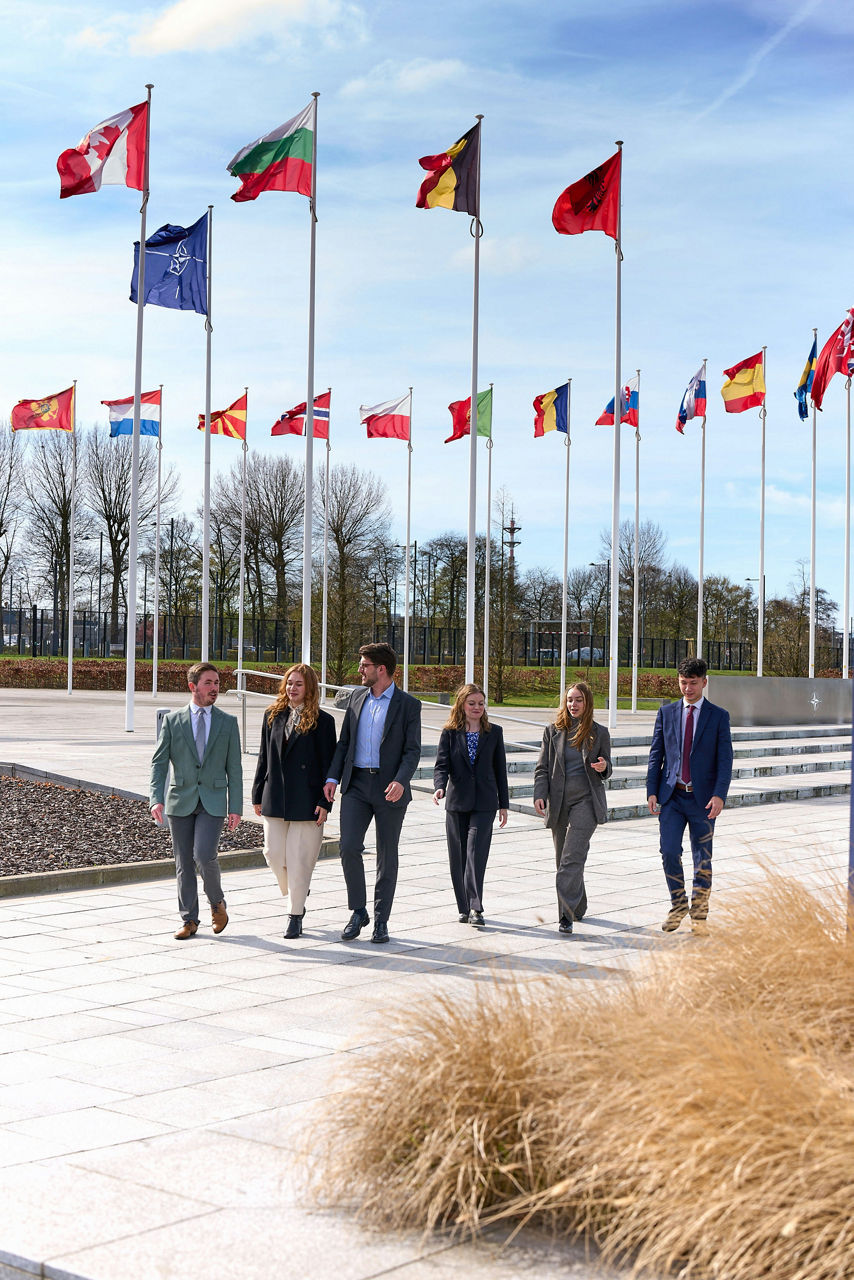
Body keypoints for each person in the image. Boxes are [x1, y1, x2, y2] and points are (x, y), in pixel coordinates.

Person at [323, 642, 421, 944]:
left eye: (364, 665)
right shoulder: (356, 698)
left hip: (389, 788)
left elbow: (412, 750)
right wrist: (332, 777)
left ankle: (381, 920)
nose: (359, 670)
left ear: (381, 669)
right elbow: (344, 743)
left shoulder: (408, 705)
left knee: (386, 854)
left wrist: (402, 780)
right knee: (349, 846)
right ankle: (358, 910)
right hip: (356, 786)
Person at [150, 662, 243, 940]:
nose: (215, 688)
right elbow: (159, 764)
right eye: (208, 683)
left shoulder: (228, 722)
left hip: (213, 800)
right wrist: (156, 798)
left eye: (217, 682)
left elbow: (234, 768)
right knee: (183, 862)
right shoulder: (173, 721)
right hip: (181, 800)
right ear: (193, 687)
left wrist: (235, 806)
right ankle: (189, 919)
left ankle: (217, 902)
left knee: (203, 855)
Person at [646, 656, 733, 933]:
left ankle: (699, 917)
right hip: (672, 796)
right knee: (669, 851)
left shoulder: (718, 716)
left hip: (704, 800)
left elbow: (725, 760)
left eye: (693, 683)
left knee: (702, 859)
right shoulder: (667, 713)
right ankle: (678, 903)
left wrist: (719, 795)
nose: (687, 688)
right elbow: (656, 754)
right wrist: (651, 790)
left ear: (704, 682)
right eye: (683, 683)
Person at [252, 663, 337, 939]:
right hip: (274, 796)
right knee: (273, 854)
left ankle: (295, 914)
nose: (292, 688)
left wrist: (325, 804)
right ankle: (298, 889)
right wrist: (256, 794)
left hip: (308, 801)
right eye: (289, 683)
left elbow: (329, 768)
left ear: (309, 687)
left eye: (298, 684)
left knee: (299, 861)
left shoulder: (324, 722)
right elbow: (263, 758)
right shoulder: (272, 715)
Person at [532, 681, 611, 935]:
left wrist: (603, 767)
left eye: (578, 700)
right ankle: (579, 906)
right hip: (559, 802)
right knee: (563, 860)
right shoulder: (552, 731)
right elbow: (542, 767)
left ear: (587, 703)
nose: (573, 705)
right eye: (569, 700)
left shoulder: (599, 733)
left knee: (571, 858)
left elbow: (607, 767)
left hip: (586, 802)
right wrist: (539, 794)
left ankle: (565, 916)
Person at [432, 683, 509, 927]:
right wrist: (439, 785)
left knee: (475, 854)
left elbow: (500, 770)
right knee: (458, 857)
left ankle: (476, 907)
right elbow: (441, 765)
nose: (477, 708)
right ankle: (463, 907)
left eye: (481, 703)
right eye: (472, 703)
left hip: (485, 803)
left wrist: (503, 804)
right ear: (462, 705)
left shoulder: (494, 732)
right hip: (456, 802)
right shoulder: (450, 733)